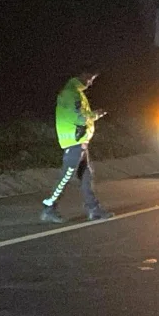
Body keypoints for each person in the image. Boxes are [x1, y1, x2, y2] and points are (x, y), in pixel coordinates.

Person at [40, 67, 113, 223]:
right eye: (90, 78)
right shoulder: (70, 93)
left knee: (86, 177)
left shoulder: (76, 93)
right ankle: (49, 207)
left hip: (80, 142)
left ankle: (93, 209)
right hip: (74, 143)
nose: (91, 83)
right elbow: (79, 118)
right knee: (66, 176)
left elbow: (80, 116)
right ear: (82, 75)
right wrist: (96, 114)